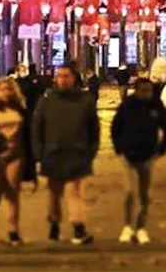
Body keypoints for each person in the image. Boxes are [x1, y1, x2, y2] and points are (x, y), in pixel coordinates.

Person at [32, 62, 99, 245]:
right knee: (54, 194)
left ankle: (78, 228)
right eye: (59, 76)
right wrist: (39, 152)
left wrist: (90, 151)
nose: (62, 79)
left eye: (66, 76)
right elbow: (37, 127)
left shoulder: (85, 101)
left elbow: (93, 129)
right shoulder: (47, 101)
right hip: (52, 154)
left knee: (74, 191)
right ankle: (54, 224)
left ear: (74, 78)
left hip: (76, 154)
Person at [110, 76, 166, 245]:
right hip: (128, 154)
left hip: (147, 155)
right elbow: (115, 127)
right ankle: (127, 226)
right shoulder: (127, 105)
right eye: (144, 90)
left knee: (144, 194)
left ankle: (141, 227)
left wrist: (161, 149)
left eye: (149, 90)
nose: (147, 94)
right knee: (130, 192)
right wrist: (119, 148)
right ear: (137, 90)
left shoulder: (156, 105)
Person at [0, 77, 34, 246]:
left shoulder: (21, 110)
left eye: (9, 89)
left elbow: (28, 135)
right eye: (2, 89)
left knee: (13, 193)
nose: (6, 92)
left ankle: (13, 231)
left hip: (16, 155)